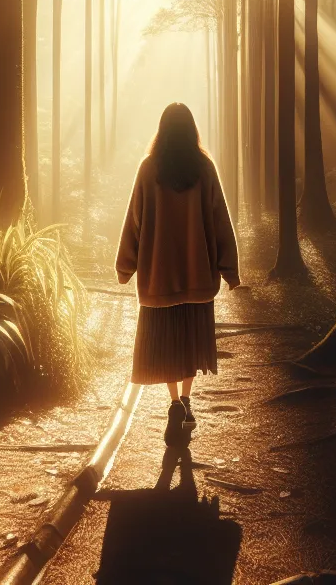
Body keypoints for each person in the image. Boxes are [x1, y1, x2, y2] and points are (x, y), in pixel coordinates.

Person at [116, 103, 239, 446]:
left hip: (159, 278)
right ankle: (186, 400)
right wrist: (230, 269)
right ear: (191, 131)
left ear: (162, 131)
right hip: (197, 278)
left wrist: (125, 266)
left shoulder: (148, 169)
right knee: (189, 343)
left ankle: (173, 402)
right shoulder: (205, 168)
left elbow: (134, 221)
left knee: (168, 345)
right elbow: (219, 221)